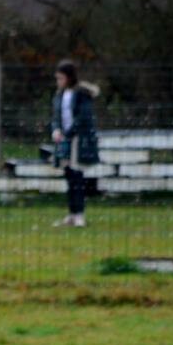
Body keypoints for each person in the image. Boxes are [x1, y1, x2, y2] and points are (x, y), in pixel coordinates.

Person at [50, 60, 100, 228]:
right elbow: (56, 117)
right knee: (69, 176)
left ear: (69, 77)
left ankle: (79, 214)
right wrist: (56, 130)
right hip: (64, 140)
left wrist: (68, 133)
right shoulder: (59, 95)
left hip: (78, 140)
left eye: (61, 78)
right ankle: (72, 214)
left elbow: (83, 118)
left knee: (77, 178)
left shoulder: (81, 95)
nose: (59, 82)